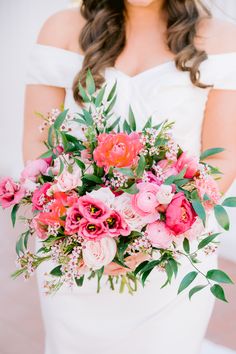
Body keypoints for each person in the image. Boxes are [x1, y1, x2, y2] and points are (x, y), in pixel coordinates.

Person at [23, 1, 236, 353]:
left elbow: (222, 158)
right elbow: (37, 145)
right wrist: (79, 230)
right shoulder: (61, 29)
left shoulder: (222, 39)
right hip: (77, 249)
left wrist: (152, 240)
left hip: (171, 255)